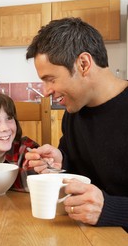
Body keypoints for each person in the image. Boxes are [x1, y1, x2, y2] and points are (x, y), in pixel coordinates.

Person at [25, 17, 128, 230]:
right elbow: (81, 169)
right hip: (87, 237)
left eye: (50, 79)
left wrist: (110, 209)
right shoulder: (74, 112)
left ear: (83, 64)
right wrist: (60, 162)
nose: (46, 91)